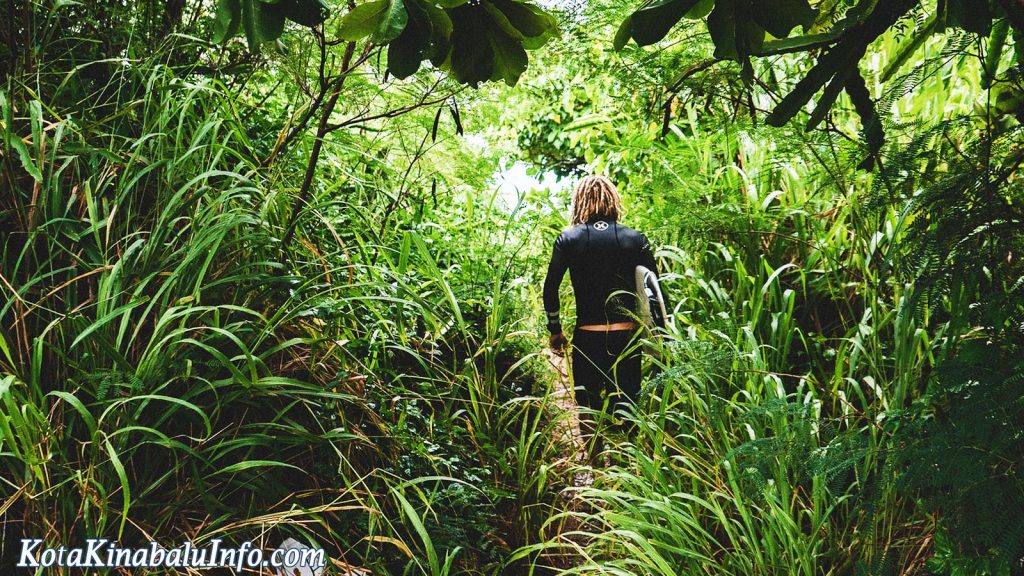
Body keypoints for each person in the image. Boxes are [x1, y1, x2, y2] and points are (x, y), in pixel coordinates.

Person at [542, 174, 663, 464]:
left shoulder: (568, 240)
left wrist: (555, 330)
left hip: (588, 336)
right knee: (628, 404)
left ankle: (597, 469)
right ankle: (627, 471)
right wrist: (660, 340)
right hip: (627, 336)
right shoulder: (635, 239)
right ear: (613, 200)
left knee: (588, 406)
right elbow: (655, 291)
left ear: (579, 201)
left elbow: (550, 288)